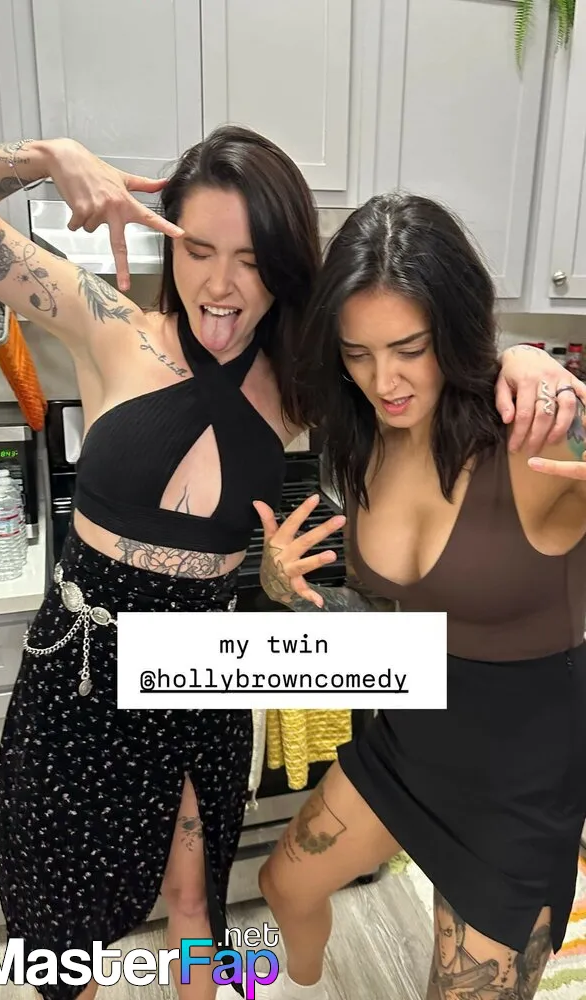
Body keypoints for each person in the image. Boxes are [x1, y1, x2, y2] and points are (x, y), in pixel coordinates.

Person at [0, 133, 578, 1000]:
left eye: (252, 261)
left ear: (284, 270)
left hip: (201, 677)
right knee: (62, 933)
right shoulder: (108, 325)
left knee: (196, 903)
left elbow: (423, 353)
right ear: (166, 241)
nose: (221, 284)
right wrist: (44, 157)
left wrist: (521, 358)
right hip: (81, 673)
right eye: (198, 249)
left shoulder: (304, 384)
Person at [251, 192, 586, 1000]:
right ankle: (303, 984)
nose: (384, 381)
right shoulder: (362, 438)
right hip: (410, 738)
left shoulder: (534, 441)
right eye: (357, 353)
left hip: (518, 785)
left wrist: (530, 359)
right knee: (283, 886)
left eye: (409, 349)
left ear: (457, 331)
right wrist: (280, 585)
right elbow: (398, 612)